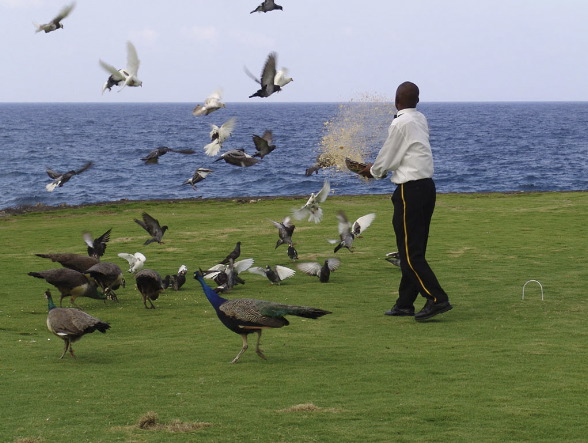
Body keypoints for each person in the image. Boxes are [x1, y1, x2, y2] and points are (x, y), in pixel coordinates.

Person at [359, 81, 452, 321]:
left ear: (396, 100)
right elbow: (404, 153)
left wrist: (372, 171)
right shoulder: (420, 119)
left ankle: (436, 299)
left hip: (409, 191)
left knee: (410, 253)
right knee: (412, 249)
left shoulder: (400, 123)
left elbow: (388, 156)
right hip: (427, 188)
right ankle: (404, 303)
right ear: (417, 101)